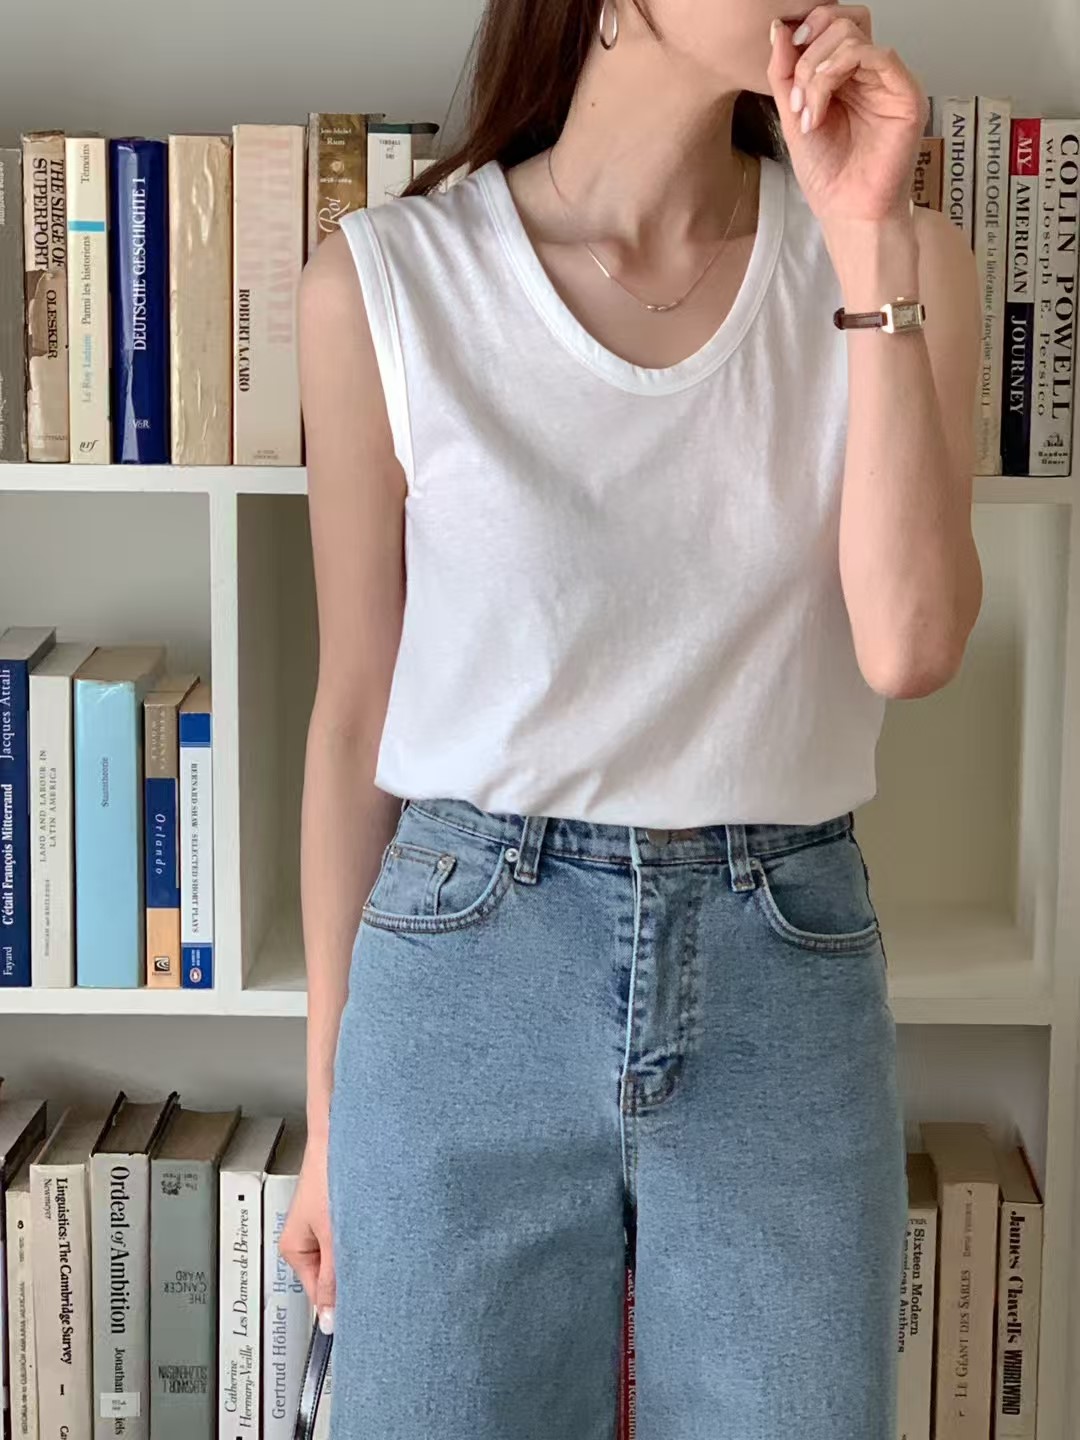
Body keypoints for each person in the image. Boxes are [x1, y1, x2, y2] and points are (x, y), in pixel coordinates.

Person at [281, 0, 983, 1434]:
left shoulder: (901, 262)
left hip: (782, 967)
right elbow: (354, 719)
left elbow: (910, 646)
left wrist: (866, 245)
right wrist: (331, 1120)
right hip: (467, 964)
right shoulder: (389, 285)